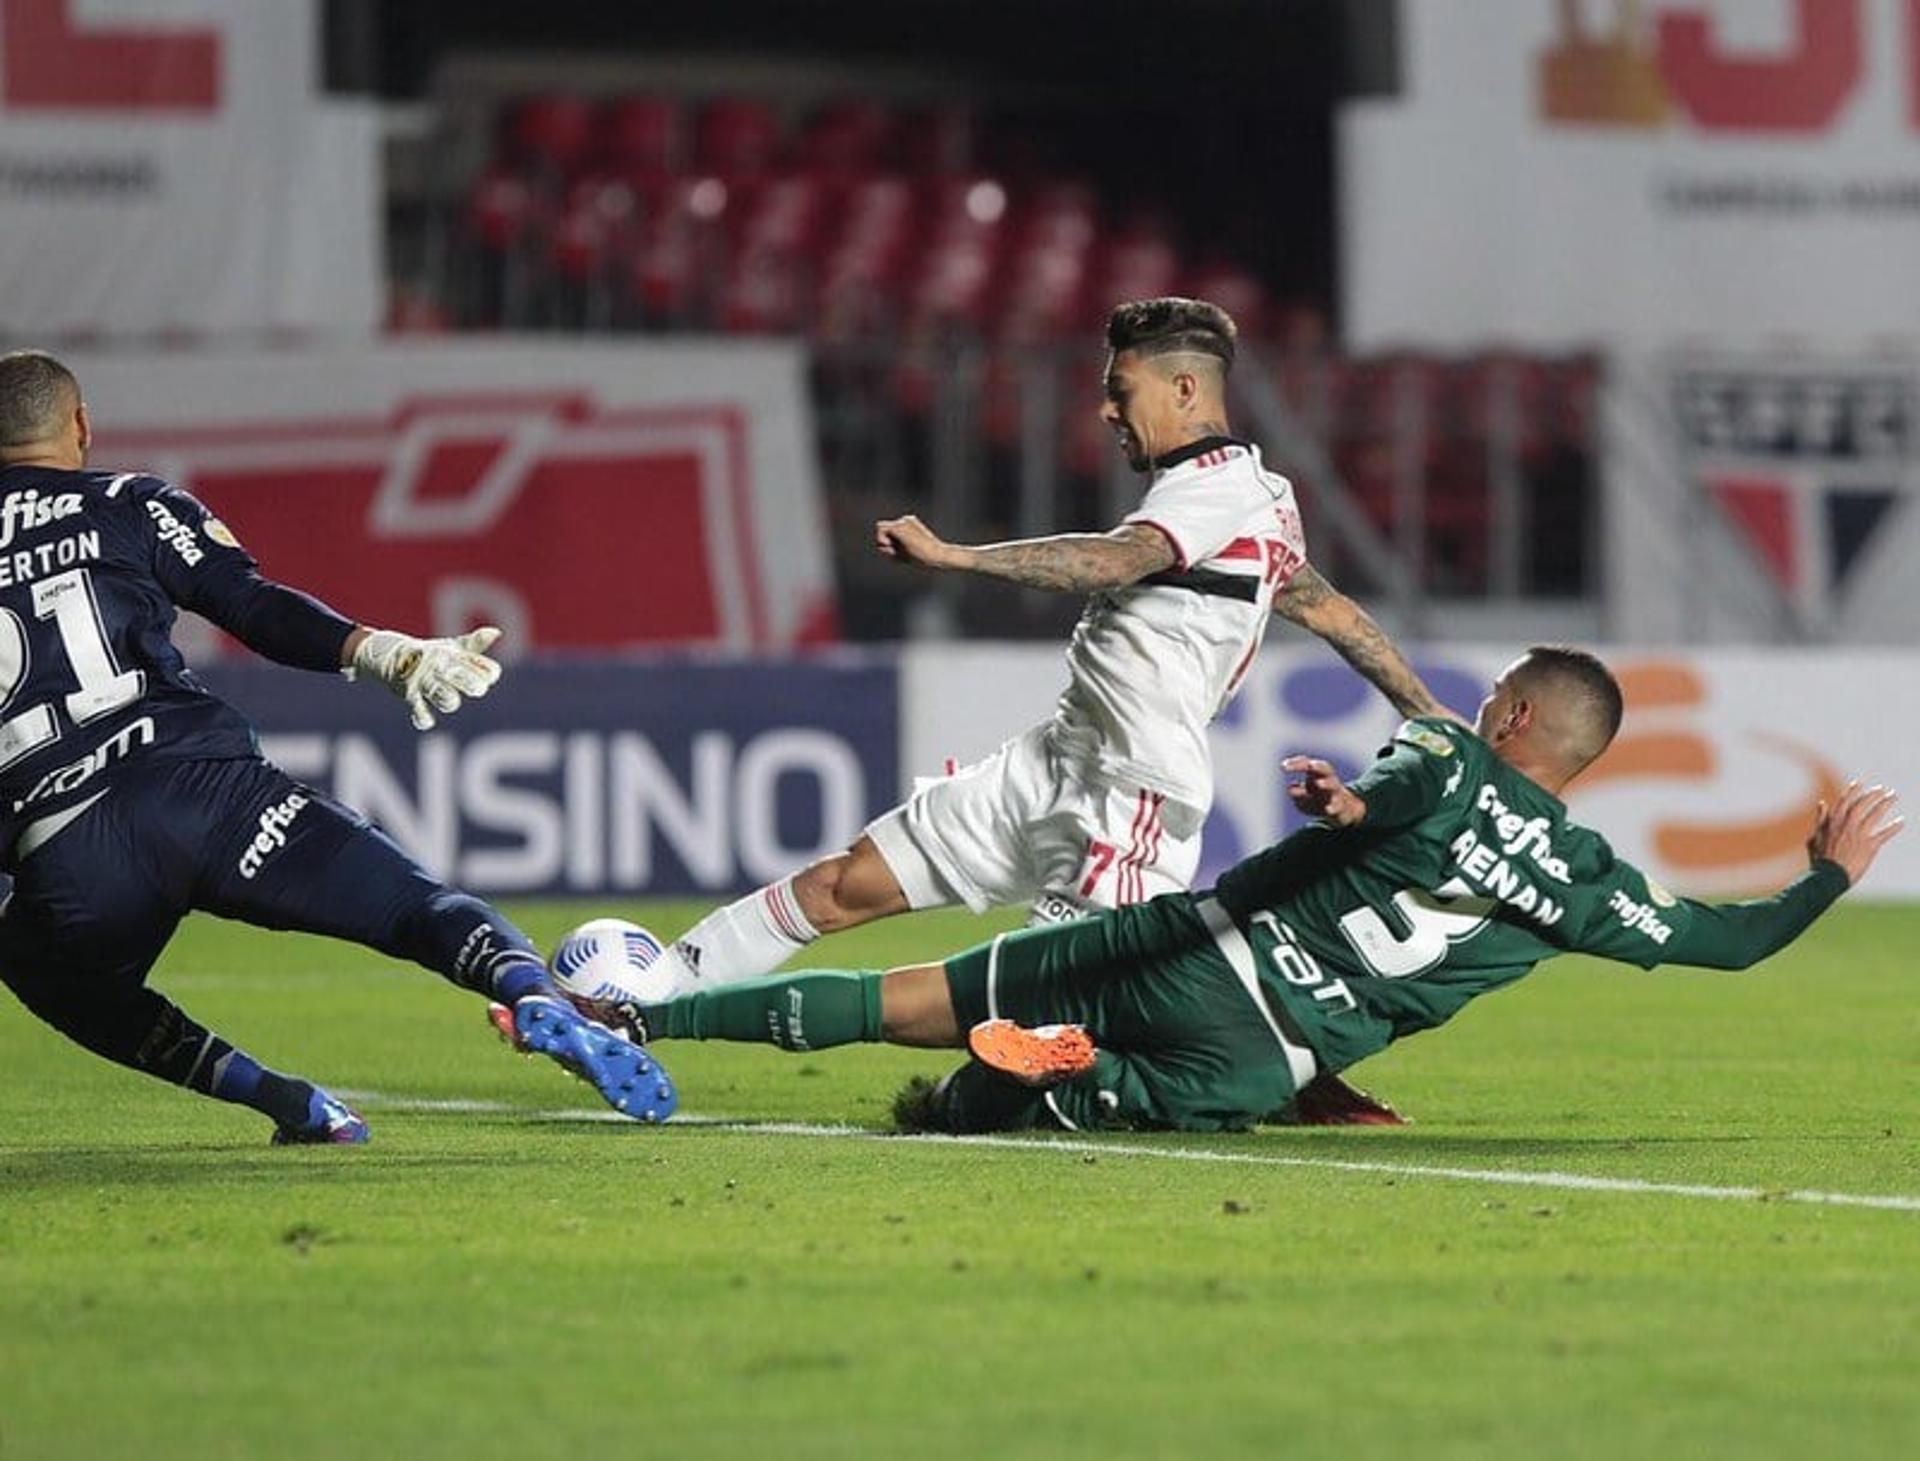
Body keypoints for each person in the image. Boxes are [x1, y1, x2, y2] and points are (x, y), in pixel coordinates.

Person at [642, 296, 1446, 1123]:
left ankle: (1278, 1077)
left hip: (1126, 797)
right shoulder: (1253, 501)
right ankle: (638, 996)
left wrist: (955, 555)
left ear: (1182, 390)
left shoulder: (1218, 490)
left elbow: (1112, 562)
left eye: (1119, 388)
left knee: (1011, 1021)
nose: (1105, 409)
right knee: (838, 886)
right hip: (1053, 765)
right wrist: (1431, 716)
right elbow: (1329, 609)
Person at [617, 647, 1901, 1133]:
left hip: (1188, 939)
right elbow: (1726, 946)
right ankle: (1071, 1079)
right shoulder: (1583, 881)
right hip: (1263, 1047)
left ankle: (643, 1019)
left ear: (1507, 710)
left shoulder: (1443, 754)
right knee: (1037, 1116)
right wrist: (1827, 877)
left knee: (908, 999)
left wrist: (1347, 806)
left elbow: (1396, 794)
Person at [0, 350, 674, 1142]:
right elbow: (249, 606)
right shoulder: (128, 501)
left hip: (70, 850)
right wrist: (383, 652)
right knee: (416, 903)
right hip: (206, 793)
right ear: (80, 425)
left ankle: (290, 1102)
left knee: (54, 975)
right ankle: (528, 989)